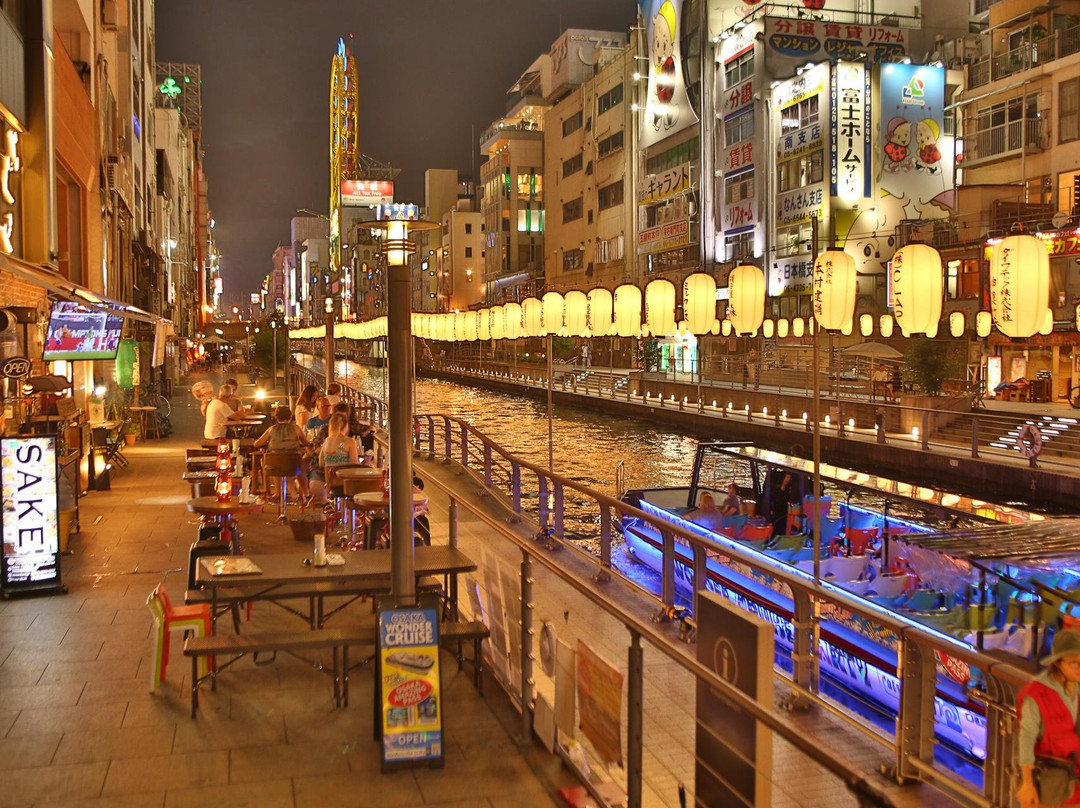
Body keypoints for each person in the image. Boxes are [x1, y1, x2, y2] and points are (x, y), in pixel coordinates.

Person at [1016, 629, 1080, 808]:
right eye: (1074, 662)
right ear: (1058, 663)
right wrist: (1027, 784)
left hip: (1073, 781)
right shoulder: (1037, 695)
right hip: (1045, 784)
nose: (1079, 667)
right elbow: (1026, 738)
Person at [253, 406, 311, 501]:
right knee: (291, 462)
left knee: (276, 459)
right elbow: (307, 443)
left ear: (276, 417)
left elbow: (257, 444)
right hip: (293, 464)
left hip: (273, 465)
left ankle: (278, 492)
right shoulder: (296, 428)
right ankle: (298, 493)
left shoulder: (271, 429)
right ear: (290, 416)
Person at [309, 412, 358, 504]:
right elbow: (354, 464)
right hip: (345, 483)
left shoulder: (327, 440)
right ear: (346, 425)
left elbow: (321, 463)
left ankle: (341, 511)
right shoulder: (349, 441)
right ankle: (354, 512)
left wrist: (332, 463)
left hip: (330, 482)